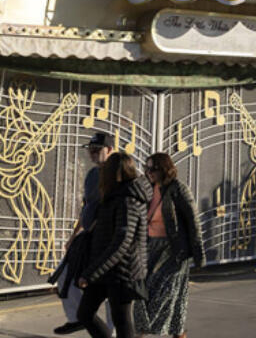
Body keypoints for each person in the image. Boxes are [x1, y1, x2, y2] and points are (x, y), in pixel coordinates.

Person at [76, 152, 150, 338]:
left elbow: (121, 242)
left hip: (123, 272)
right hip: (106, 269)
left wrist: (93, 272)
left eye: (105, 171)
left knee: (122, 321)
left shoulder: (128, 200)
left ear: (114, 174)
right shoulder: (114, 196)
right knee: (85, 313)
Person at [135, 153, 205, 338]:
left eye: (153, 169)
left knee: (166, 296)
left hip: (173, 251)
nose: (148, 172)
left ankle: (174, 333)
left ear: (165, 169)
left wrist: (198, 255)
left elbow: (193, 222)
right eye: (146, 168)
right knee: (142, 296)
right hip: (150, 248)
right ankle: (167, 332)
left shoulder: (178, 189)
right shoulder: (149, 189)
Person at [52, 131, 114, 336]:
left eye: (97, 150)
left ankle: (114, 332)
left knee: (110, 287)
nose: (92, 154)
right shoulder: (92, 175)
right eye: (90, 150)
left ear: (110, 150)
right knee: (65, 274)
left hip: (107, 239)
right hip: (87, 236)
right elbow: (86, 207)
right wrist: (73, 236)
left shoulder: (119, 174)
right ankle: (76, 318)